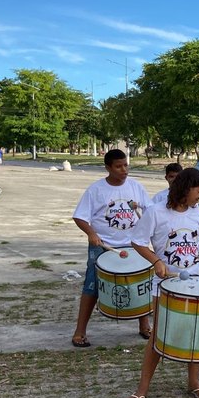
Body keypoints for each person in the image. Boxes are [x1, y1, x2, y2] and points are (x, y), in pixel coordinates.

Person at [126, 168, 199, 398]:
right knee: (159, 336)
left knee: (195, 332)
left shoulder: (196, 211)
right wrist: (156, 261)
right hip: (166, 284)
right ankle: (142, 388)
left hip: (197, 279)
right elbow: (137, 242)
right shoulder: (156, 212)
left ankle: (194, 382)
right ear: (186, 188)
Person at [71, 149, 152, 348]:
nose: (124, 170)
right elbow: (80, 216)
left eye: (126, 165)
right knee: (92, 286)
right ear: (108, 168)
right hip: (104, 246)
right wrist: (91, 233)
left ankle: (144, 326)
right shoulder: (96, 190)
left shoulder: (136, 187)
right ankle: (80, 331)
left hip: (133, 245)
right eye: (118, 166)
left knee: (140, 285)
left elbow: (150, 212)